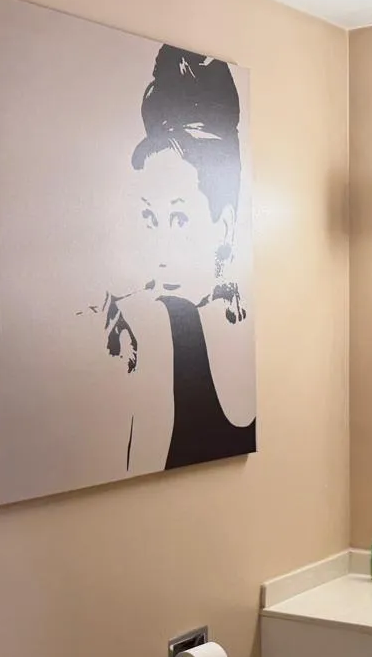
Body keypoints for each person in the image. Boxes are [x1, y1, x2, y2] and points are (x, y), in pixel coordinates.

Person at [84, 45, 255, 474]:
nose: (159, 252)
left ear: (224, 227)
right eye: (148, 218)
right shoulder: (151, 322)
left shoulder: (159, 328)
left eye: (178, 218)